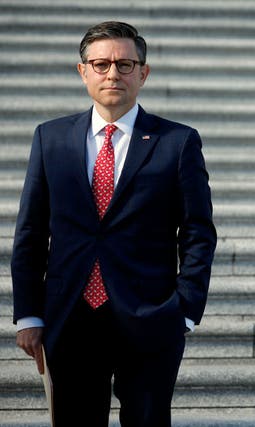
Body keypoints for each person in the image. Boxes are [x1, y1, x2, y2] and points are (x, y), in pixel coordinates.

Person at [11, 21, 217, 426]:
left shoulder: (177, 142)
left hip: (151, 316)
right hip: (70, 315)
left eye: (125, 64)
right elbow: (31, 232)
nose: (113, 74)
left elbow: (198, 232)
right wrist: (29, 315)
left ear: (144, 72)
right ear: (82, 71)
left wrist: (185, 310)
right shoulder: (50, 138)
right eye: (101, 64)